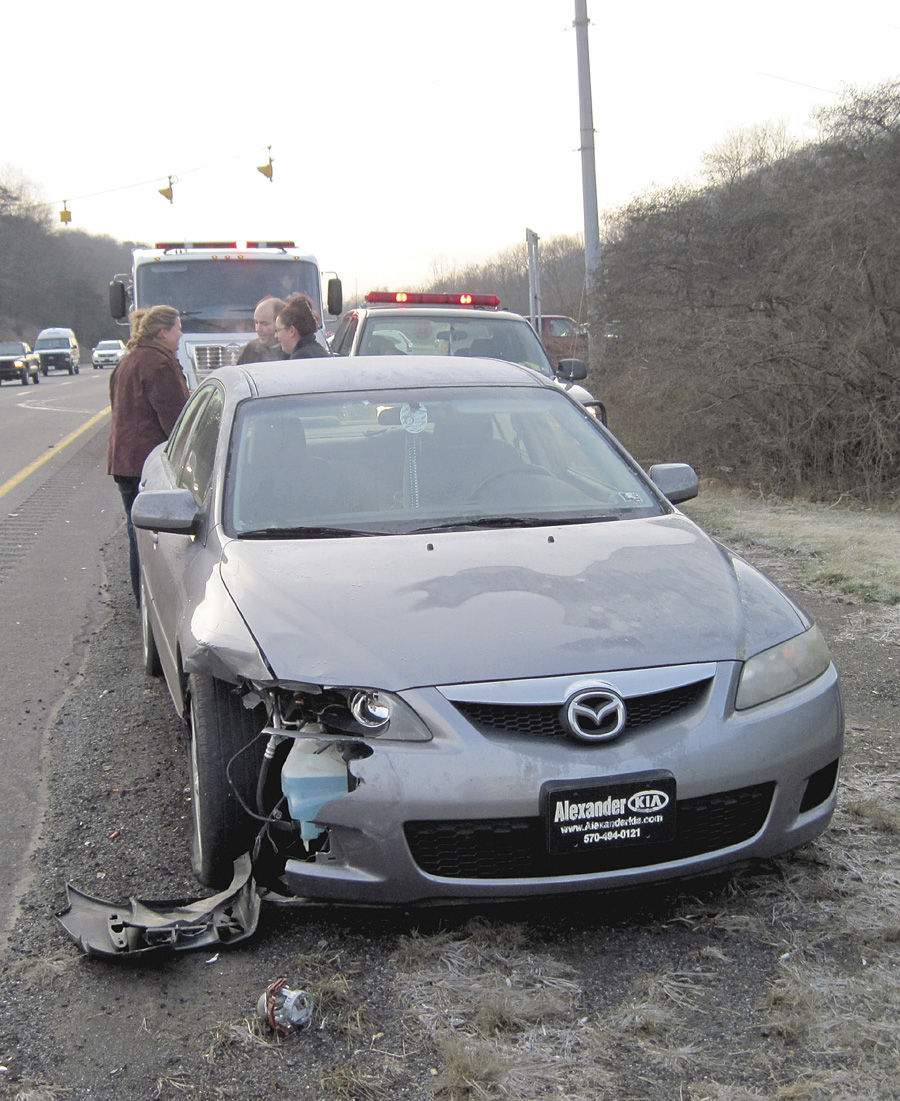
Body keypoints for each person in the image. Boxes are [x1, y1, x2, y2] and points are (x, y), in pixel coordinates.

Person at [107, 306, 190, 606]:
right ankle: (150, 605)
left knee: (136, 534)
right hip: (147, 462)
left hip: (123, 461)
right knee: (152, 539)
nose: (181, 334)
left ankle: (141, 601)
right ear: (163, 331)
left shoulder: (128, 362)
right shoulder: (158, 364)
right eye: (178, 328)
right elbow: (177, 421)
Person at [275, 294, 331, 359]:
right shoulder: (316, 350)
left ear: (291, 331)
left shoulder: (301, 357)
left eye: (278, 330)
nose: (276, 336)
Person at [237, 296, 287, 364]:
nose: (258, 329)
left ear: (280, 323)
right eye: (256, 323)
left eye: (264, 324)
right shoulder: (251, 349)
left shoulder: (292, 350)